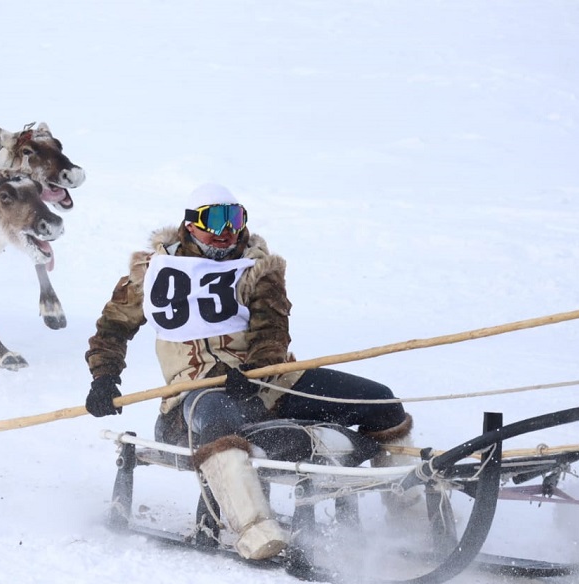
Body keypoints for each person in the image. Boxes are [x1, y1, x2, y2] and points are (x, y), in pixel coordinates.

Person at [83, 183, 416, 561]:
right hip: (197, 393)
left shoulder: (258, 267)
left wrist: (256, 372)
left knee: (383, 402)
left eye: (235, 219)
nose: (227, 232)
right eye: (216, 219)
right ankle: (256, 529)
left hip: (271, 383)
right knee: (222, 416)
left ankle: (410, 515)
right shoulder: (155, 271)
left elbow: (271, 332)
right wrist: (104, 378)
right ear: (190, 224)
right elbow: (113, 327)